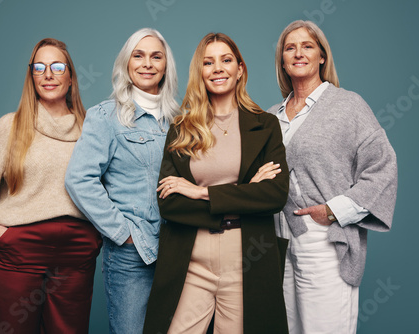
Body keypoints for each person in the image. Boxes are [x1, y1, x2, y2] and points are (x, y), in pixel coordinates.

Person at [143, 32, 290, 334]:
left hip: (245, 259)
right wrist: (244, 193)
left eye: (226, 60)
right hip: (190, 258)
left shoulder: (265, 125)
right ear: (200, 72)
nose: (218, 68)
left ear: (240, 69)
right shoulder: (182, 128)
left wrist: (201, 192)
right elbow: (169, 202)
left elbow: (274, 195)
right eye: (208, 63)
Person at [267, 20, 398, 334]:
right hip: (277, 243)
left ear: (322, 56)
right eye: (290, 47)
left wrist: (333, 210)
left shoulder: (347, 106)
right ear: (282, 60)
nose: (298, 53)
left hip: (323, 240)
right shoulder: (271, 116)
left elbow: (383, 168)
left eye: (307, 46)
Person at [0, 38, 101, 333]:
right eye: (39, 67)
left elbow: (107, 189)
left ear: (71, 76)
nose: (48, 74)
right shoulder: (10, 126)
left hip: (75, 255)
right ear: (32, 76)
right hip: (16, 252)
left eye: (57, 66)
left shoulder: (93, 130)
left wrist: (94, 238)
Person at [65, 28, 179, 334]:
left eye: (156, 56)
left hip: (178, 250)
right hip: (132, 256)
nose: (147, 64)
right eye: (138, 56)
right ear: (126, 64)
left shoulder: (181, 120)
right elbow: (79, 179)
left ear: (166, 65)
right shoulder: (106, 116)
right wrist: (122, 233)